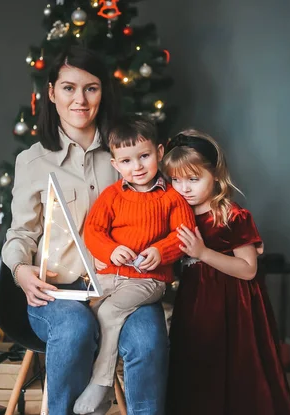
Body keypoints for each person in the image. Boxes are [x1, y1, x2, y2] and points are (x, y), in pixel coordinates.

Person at [1, 47, 169, 415]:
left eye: (91, 88)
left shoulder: (127, 154)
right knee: (75, 330)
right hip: (58, 294)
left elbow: (165, 209)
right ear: (51, 92)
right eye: (68, 88)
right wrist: (20, 269)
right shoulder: (32, 161)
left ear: (102, 92)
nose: (80, 99)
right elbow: (21, 235)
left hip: (124, 284)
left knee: (148, 341)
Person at [162, 130, 290, 415]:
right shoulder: (177, 214)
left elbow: (248, 270)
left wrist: (203, 253)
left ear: (216, 175)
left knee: (237, 365)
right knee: (198, 361)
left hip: (235, 305)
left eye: (193, 179)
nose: (183, 188)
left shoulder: (232, 215)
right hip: (195, 302)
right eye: (176, 180)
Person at [73, 116, 196, 414]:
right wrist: (111, 250)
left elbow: (185, 235)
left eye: (144, 156)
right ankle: (99, 387)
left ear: (159, 152)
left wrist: (161, 250)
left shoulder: (172, 198)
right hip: (109, 274)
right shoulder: (112, 196)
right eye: (127, 161)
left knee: (112, 310)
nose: (137, 166)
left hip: (148, 280)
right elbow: (93, 231)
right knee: (90, 314)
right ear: (116, 165)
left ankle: (101, 386)